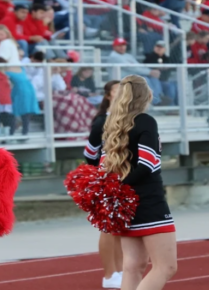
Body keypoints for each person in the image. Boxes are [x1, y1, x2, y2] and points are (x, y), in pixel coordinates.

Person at [101, 75, 176, 290]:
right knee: (166, 267)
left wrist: (115, 188)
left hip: (125, 202)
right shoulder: (145, 121)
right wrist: (119, 187)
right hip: (148, 200)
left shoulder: (115, 124)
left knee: (133, 266)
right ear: (147, 95)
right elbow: (147, 165)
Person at [82, 79, 123, 289]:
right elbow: (90, 153)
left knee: (121, 226)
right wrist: (101, 172)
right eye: (117, 91)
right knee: (108, 227)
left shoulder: (130, 120)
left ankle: (121, 270)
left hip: (126, 178)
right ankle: (109, 275)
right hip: (107, 178)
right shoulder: (101, 122)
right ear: (108, 96)